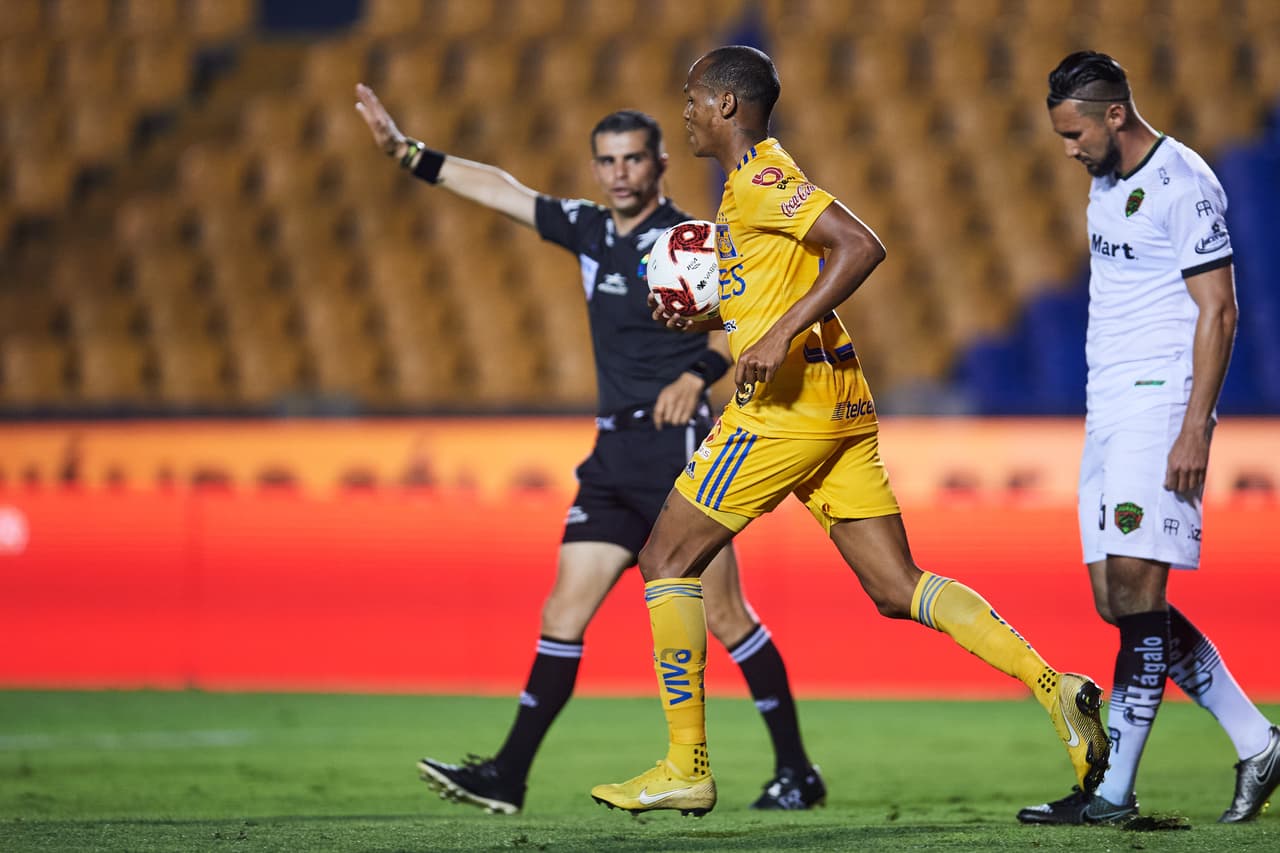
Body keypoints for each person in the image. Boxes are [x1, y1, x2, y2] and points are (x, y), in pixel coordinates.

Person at [588, 44, 1111, 818]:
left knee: (665, 555)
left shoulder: (763, 181)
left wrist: (772, 339)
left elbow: (860, 245)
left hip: (781, 412)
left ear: (727, 104)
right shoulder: (748, 188)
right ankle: (1056, 688)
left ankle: (685, 764)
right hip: (839, 406)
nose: (687, 109)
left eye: (694, 96)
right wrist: (716, 314)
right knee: (898, 588)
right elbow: (774, 285)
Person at [354, 84, 827, 813]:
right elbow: (500, 190)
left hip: (679, 446)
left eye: (632, 159)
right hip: (611, 457)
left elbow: (748, 325)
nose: (618, 173)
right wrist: (408, 153)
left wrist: (700, 373)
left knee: (728, 616)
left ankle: (796, 769)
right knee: (561, 614)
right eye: (606, 161)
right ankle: (508, 775)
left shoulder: (694, 239)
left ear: (660, 161)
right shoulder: (588, 229)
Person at [1017, 50, 1279, 827]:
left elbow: (1220, 311)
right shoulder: (1104, 185)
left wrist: (1194, 426)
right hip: (1108, 409)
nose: (1069, 151)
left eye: (1075, 134)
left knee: (1138, 591)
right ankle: (1259, 741)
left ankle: (1113, 792)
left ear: (1115, 116)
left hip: (1161, 405)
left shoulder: (1183, 183)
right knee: (1119, 601)